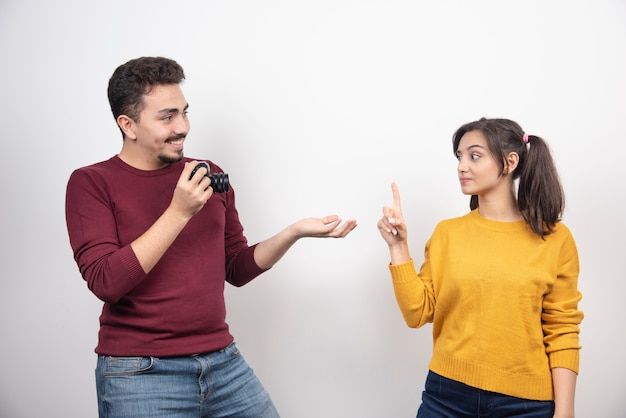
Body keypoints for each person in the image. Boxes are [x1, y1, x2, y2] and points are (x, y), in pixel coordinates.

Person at [65, 56, 357, 418]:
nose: (183, 126)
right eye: (167, 116)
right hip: (140, 373)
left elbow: (235, 268)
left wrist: (294, 233)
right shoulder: (92, 183)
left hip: (223, 364)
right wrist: (178, 212)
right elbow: (106, 281)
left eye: (185, 112)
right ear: (128, 125)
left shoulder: (207, 174)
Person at [377, 118, 583, 418]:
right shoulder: (448, 233)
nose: (462, 166)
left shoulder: (555, 239)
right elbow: (416, 312)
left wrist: (565, 411)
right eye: (459, 157)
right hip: (446, 397)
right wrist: (398, 247)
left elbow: (562, 328)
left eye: (475, 156)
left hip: (525, 405)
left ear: (509, 161)